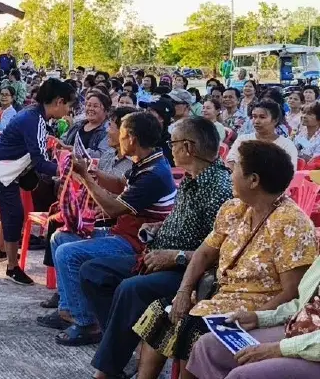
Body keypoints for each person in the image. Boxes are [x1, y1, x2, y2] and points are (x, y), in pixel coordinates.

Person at [133, 140, 317, 379]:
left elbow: (291, 292)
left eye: (236, 167)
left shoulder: (292, 223)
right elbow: (204, 253)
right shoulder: (234, 208)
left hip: (256, 306)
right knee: (161, 313)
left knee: (192, 330)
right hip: (217, 296)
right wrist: (184, 290)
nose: (230, 172)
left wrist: (257, 318)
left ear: (253, 180)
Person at [80, 117, 233, 378]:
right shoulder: (193, 178)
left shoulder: (218, 188)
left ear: (188, 147)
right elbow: (185, 222)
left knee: (131, 288)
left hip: (189, 271)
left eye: (173, 143)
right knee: (93, 272)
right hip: (158, 256)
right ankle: (121, 347)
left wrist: (174, 257)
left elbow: (220, 253)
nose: (170, 148)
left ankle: (107, 370)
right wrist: (159, 227)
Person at [37, 112, 176, 346]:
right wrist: (93, 173)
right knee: (59, 238)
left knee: (67, 253)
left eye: (120, 132)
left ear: (131, 138)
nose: (116, 136)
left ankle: (87, 324)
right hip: (123, 234)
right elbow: (122, 184)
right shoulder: (146, 162)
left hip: (136, 244)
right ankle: (68, 309)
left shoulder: (154, 174)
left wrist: (86, 178)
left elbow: (113, 209)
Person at [0, 78, 77, 285]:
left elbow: (37, 142)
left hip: (5, 162)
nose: (69, 111)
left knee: (10, 210)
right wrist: (69, 172)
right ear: (59, 101)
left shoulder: (36, 114)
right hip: (1, 166)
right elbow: (40, 163)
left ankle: (2, 250)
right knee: (14, 213)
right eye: (69, 105)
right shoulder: (34, 119)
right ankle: (12, 267)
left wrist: (55, 145)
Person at [186, 254, 320, 378]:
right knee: (208, 346)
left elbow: (289, 290)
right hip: (300, 327)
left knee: (243, 375)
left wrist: (279, 349)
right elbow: (302, 304)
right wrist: (260, 318)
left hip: (313, 344)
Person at [227, 101, 298, 171]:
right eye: (254, 117)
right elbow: (231, 162)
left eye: (262, 117)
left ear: (275, 120)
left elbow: (288, 172)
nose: (256, 121)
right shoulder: (243, 140)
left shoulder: (286, 145)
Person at [60, 91, 111, 157]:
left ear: (106, 110)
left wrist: (77, 151)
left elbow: (103, 155)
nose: (91, 109)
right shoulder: (78, 124)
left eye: (95, 106)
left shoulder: (108, 130)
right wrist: (58, 143)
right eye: (88, 105)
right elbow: (64, 139)